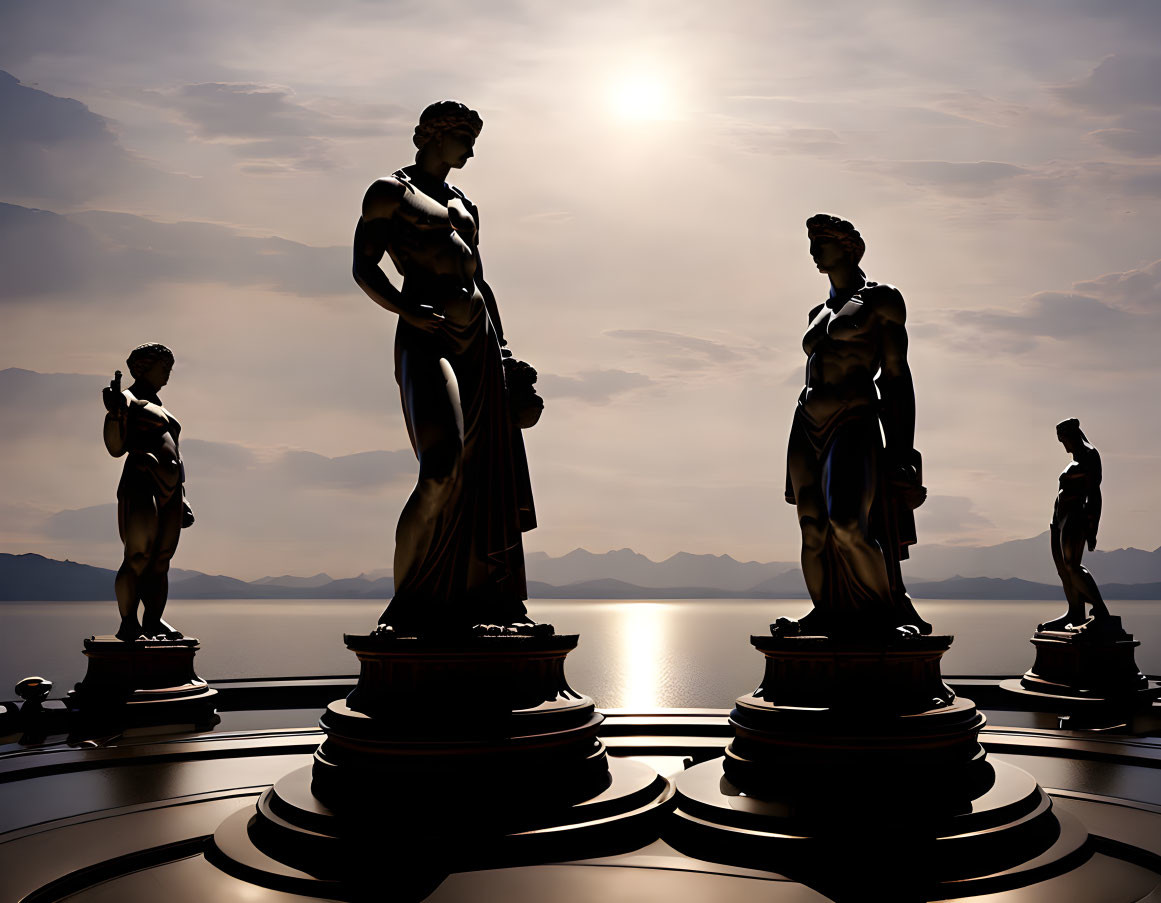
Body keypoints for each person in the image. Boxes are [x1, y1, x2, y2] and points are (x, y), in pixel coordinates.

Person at [352, 101, 542, 636]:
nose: (472, 151)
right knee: (440, 466)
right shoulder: (390, 192)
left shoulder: (465, 204)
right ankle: (405, 604)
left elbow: (481, 282)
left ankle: (487, 600)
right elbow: (362, 265)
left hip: (478, 342)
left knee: (484, 475)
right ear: (439, 134)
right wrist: (404, 307)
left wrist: (505, 358)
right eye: (467, 139)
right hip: (426, 335)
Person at [777, 214, 929, 638]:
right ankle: (824, 611)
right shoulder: (817, 311)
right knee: (812, 528)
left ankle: (885, 615)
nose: (813, 251)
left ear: (848, 246)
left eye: (821, 241)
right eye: (810, 242)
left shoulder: (881, 299)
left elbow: (897, 377)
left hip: (853, 418)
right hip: (807, 422)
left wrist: (904, 454)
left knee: (847, 523)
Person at [102, 343, 194, 642]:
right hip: (142, 480)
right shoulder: (126, 399)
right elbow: (115, 448)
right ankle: (128, 622)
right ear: (143, 367)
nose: (168, 373)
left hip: (171, 490)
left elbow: (175, 452)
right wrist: (115, 413)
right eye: (163, 366)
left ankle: (153, 621)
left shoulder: (161, 407)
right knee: (138, 555)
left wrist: (183, 496)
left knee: (162, 560)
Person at [1040, 419, 1111, 632]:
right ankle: (1075, 611)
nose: (1064, 446)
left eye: (1064, 440)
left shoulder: (1090, 455)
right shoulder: (1073, 461)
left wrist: (1092, 528)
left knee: (1072, 566)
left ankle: (1101, 612)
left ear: (1073, 436)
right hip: (1058, 522)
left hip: (1075, 517)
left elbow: (1094, 494)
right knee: (1063, 570)